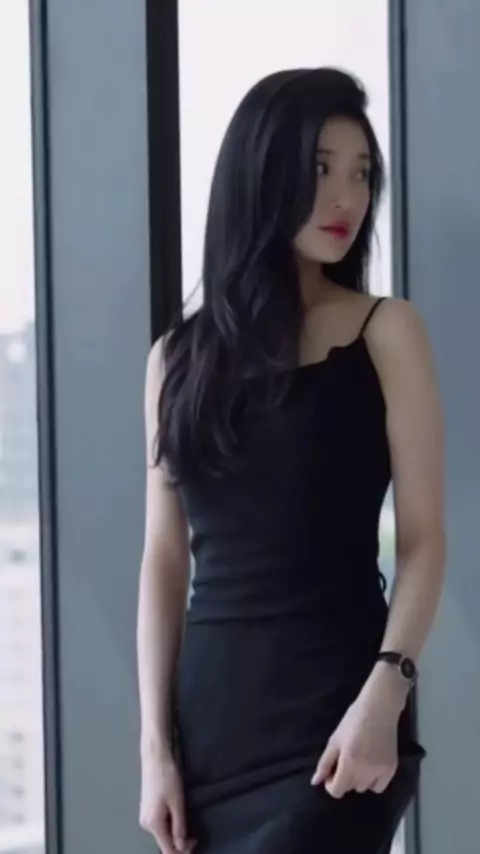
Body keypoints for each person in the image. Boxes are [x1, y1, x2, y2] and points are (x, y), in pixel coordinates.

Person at [137, 68, 446, 854]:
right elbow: (164, 560)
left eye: (362, 173)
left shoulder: (387, 332)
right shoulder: (176, 359)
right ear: (261, 173)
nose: (348, 197)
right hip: (212, 730)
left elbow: (423, 542)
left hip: (342, 713)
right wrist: (155, 751)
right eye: (321, 168)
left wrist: (386, 691)